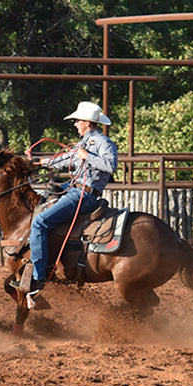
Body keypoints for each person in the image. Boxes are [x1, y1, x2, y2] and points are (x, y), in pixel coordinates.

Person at [13, 101, 118, 300]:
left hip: (84, 195)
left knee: (40, 222)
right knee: (42, 200)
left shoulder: (104, 143)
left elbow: (110, 165)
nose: (75, 124)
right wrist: (41, 162)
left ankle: (38, 277)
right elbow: (66, 159)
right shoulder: (83, 142)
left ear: (88, 122)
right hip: (72, 189)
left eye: (78, 120)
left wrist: (87, 156)